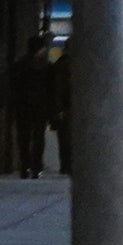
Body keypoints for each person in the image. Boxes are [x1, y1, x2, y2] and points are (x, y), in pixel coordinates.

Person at [8, 36, 51, 179]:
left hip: (23, 107)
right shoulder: (46, 67)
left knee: (24, 138)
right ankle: (35, 167)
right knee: (37, 138)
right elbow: (51, 89)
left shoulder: (19, 66)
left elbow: (13, 87)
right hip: (39, 107)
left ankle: (25, 166)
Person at [47, 40, 72, 176]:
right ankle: (68, 165)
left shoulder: (58, 65)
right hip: (67, 107)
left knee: (64, 139)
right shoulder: (68, 66)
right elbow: (59, 88)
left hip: (63, 108)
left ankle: (66, 165)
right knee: (69, 138)